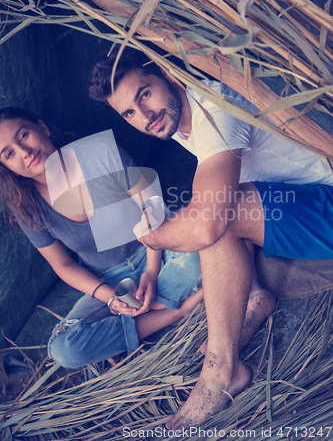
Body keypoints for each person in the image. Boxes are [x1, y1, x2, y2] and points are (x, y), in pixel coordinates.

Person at [88, 45, 333, 428]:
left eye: (145, 94)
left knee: (214, 214)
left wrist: (154, 239)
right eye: (129, 113)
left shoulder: (214, 108)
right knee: (210, 202)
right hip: (296, 202)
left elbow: (206, 225)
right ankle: (253, 298)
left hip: (326, 205)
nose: (145, 116)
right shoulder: (181, 119)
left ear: (167, 73)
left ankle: (221, 372)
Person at [0, 107, 204, 370]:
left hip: (160, 247)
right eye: (9, 154)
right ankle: (177, 310)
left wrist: (152, 271)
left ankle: (133, 326)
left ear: (43, 127)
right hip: (109, 280)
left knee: (199, 249)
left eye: (24, 135)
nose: (24, 152)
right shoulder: (28, 210)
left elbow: (151, 204)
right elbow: (63, 266)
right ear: (9, 169)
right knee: (65, 349)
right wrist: (110, 298)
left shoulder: (99, 151)